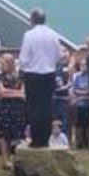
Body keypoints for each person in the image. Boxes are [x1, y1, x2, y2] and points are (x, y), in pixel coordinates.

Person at [19, 8, 60, 148]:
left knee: (33, 107)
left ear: (33, 19)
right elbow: (58, 56)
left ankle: (36, 140)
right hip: (49, 74)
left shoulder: (29, 35)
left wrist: (24, 68)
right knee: (47, 107)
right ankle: (45, 139)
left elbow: (24, 58)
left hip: (33, 74)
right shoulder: (54, 35)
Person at [0, 53, 27, 170]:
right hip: (4, 108)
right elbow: (1, 93)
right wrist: (15, 92)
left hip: (18, 109)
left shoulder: (21, 76)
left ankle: (17, 160)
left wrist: (7, 92)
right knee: (3, 135)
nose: (1, 66)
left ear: (11, 63)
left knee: (18, 134)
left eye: (3, 64)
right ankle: (5, 160)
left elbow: (23, 94)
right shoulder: (0, 77)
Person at [70, 54, 89, 150]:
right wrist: (84, 92)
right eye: (82, 65)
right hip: (79, 105)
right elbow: (74, 89)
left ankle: (87, 143)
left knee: (88, 124)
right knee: (79, 124)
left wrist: (82, 93)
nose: (83, 67)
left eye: (85, 65)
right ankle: (79, 143)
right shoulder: (77, 76)